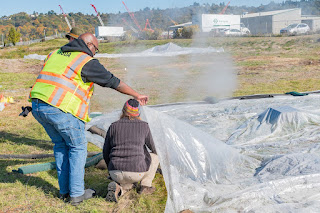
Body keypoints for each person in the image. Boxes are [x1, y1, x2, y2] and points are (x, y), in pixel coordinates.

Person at [29, 32, 148, 206]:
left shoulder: (55, 53)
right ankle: (77, 194)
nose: (94, 54)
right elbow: (111, 81)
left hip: (38, 106)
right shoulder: (84, 60)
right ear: (90, 45)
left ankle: (64, 191)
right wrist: (136, 94)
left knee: (61, 146)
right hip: (60, 107)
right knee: (77, 147)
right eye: (96, 50)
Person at [103, 99, 159, 202]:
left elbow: (105, 152)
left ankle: (120, 189)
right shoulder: (144, 126)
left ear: (123, 111)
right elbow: (154, 148)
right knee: (155, 156)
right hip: (137, 172)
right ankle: (145, 186)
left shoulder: (113, 126)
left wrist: (110, 170)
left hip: (115, 172)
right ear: (138, 113)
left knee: (126, 180)